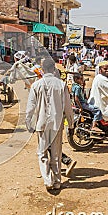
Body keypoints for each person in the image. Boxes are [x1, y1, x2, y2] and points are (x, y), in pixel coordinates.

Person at [25, 59, 73, 191]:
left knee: (42, 153)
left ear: (42, 69)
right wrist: (71, 123)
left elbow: (30, 107)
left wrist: (28, 122)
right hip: (57, 124)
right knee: (56, 154)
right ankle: (57, 182)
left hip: (42, 124)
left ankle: (48, 180)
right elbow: (68, 107)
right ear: (54, 69)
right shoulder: (61, 85)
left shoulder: (36, 85)